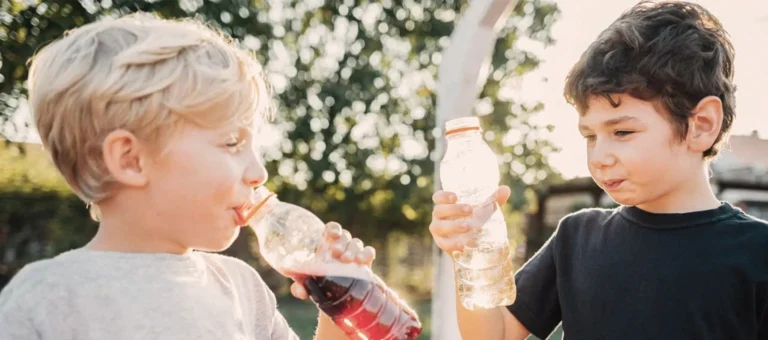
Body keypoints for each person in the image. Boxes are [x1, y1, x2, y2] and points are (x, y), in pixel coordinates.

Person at [0, 13, 374, 340]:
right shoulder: (46, 299)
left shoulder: (242, 288)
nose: (259, 172)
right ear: (131, 160)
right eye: (231, 142)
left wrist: (340, 314)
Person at [429, 1, 768, 339]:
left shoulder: (758, 252)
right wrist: (469, 255)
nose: (600, 156)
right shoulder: (576, 239)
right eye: (589, 136)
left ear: (701, 125)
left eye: (622, 132)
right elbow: (495, 336)